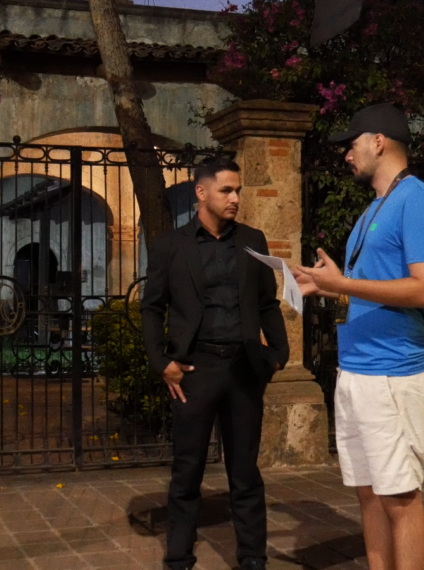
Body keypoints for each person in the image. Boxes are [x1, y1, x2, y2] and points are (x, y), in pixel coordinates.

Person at [293, 103, 424, 570]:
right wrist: (327, 287)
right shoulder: (373, 209)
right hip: (356, 373)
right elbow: (368, 290)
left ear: (378, 142)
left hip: (394, 375)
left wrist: (344, 283)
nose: (346, 154)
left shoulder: (417, 200)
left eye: (351, 144)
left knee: (399, 498)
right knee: (369, 495)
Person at [141, 159, 290, 570]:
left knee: (245, 472)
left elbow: (267, 303)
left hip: (244, 370)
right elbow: (152, 308)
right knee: (187, 470)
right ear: (201, 192)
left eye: (238, 190)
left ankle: (253, 558)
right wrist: (162, 362)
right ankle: (178, 558)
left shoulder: (252, 240)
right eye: (226, 190)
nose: (235, 198)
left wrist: (278, 354)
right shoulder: (171, 246)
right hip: (195, 371)